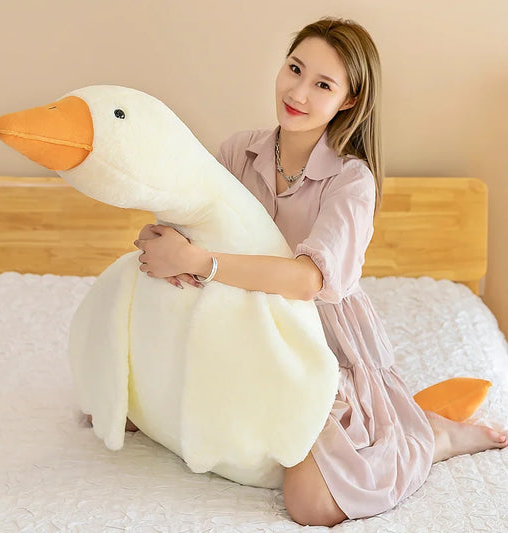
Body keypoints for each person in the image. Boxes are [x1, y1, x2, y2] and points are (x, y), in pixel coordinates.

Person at [133, 16, 508, 527]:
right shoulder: (238, 152)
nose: (298, 93)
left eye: (323, 85)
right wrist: (163, 242)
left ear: (349, 101)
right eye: (295, 69)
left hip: (318, 337)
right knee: (135, 410)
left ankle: (433, 437)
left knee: (311, 505)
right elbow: (192, 221)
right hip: (237, 325)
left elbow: (311, 280)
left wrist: (199, 262)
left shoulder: (351, 180)